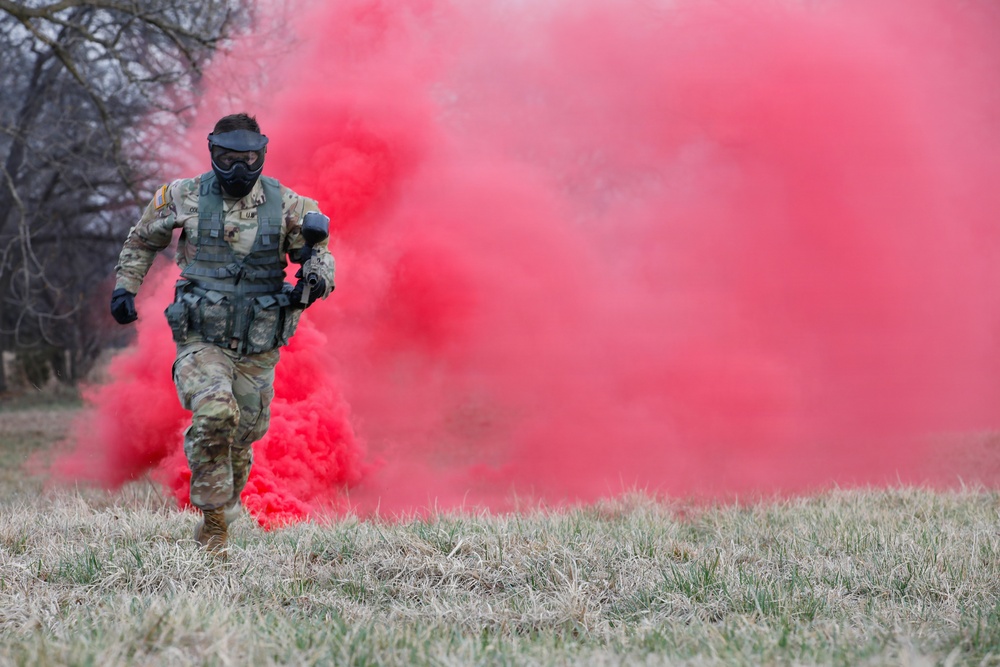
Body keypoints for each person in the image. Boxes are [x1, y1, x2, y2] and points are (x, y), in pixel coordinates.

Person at [109, 113, 334, 554]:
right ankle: (214, 525)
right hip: (201, 338)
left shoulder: (290, 205)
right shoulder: (184, 195)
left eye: (246, 158)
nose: (237, 168)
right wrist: (124, 288)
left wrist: (313, 278)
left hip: (257, 344)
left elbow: (319, 256)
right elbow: (142, 239)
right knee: (215, 412)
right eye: (227, 158)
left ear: (261, 155)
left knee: (242, 435)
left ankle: (225, 505)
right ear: (213, 153)